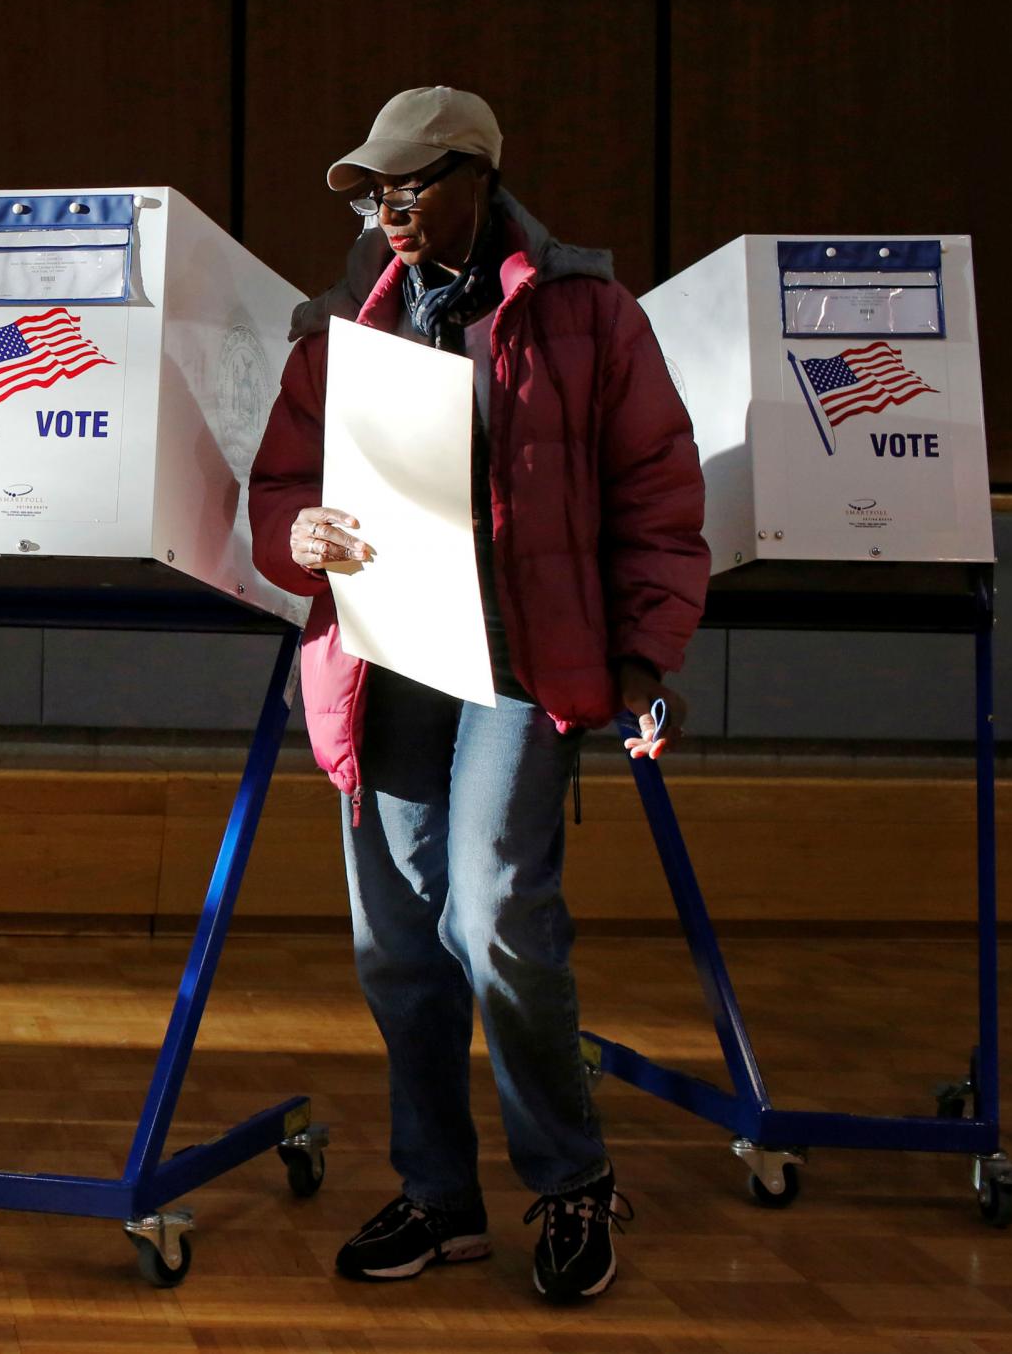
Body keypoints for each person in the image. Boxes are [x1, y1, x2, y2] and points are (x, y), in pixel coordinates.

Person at [247, 86, 708, 1304]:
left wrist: (642, 661)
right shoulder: (346, 322)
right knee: (397, 940)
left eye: (408, 186)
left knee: (496, 913)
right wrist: (301, 535)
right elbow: (280, 486)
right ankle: (440, 1197)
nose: (388, 211)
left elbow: (658, 490)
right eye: (372, 193)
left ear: (477, 180)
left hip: (521, 666)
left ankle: (569, 1181)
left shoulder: (586, 315)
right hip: (386, 656)